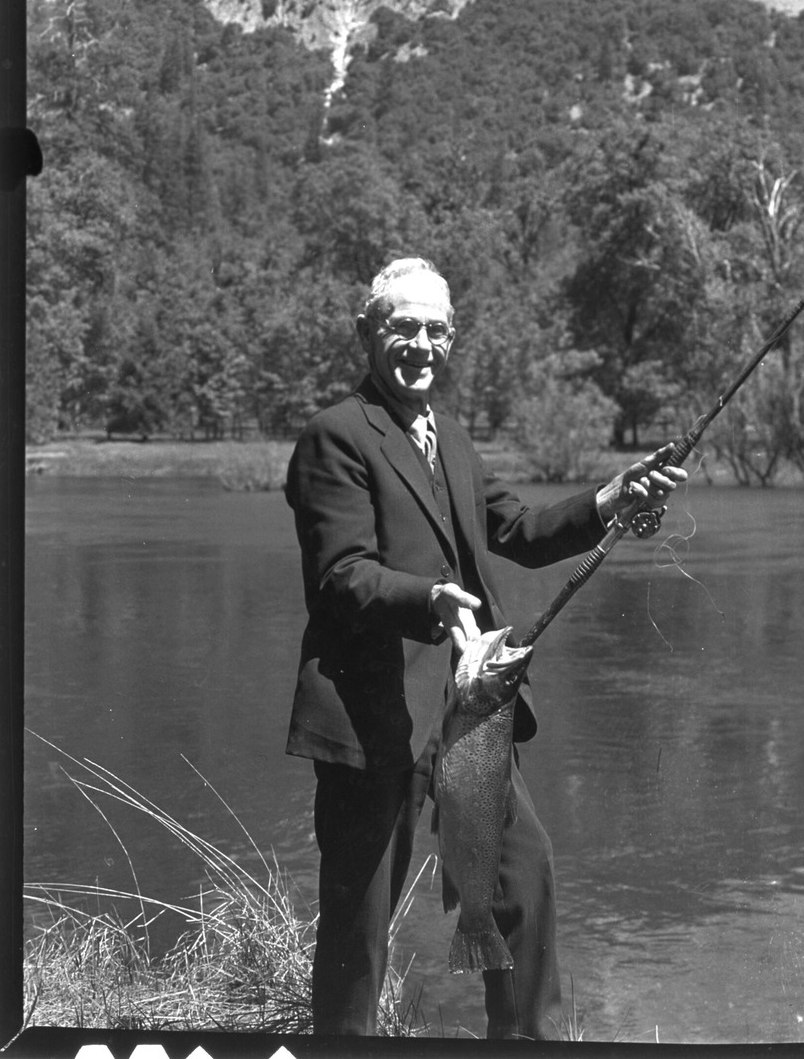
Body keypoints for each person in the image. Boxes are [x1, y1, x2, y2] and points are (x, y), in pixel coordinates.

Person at [285, 255, 685, 1039]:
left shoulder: (451, 438)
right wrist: (427, 598)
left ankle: (530, 1041)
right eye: (404, 326)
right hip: (372, 711)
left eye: (436, 329)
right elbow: (340, 575)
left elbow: (518, 532)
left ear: (452, 339)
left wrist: (612, 496)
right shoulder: (334, 435)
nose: (421, 344)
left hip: (470, 708)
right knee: (358, 927)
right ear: (368, 331)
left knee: (522, 878)